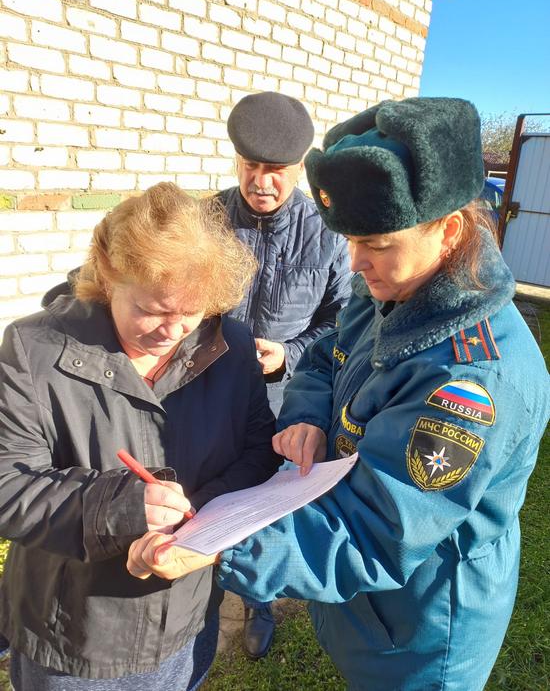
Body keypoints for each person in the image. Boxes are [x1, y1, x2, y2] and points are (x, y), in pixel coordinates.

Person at [127, 98, 550, 691]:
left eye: (375, 243)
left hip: (419, 624)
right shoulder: (399, 287)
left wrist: (221, 547)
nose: (355, 262)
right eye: (350, 240)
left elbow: (379, 530)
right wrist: (305, 415)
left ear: (449, 232)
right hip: (360, 600)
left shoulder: (471, 380)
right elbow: (331, 355)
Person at [0, 183, 281, 690]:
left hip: (187, 615)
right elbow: (9, 486)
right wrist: (122, 509)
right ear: (108, 277)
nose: (171, 331)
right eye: (151, 309)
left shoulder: (231, 344)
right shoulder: (33, 348)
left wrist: (194, 522)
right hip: (75, 636)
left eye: (190, 312)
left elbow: (258, 452)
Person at [218, 91, 352, 658]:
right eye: (250, 165)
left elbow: (344, 322)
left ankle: (258, 599)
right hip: (206, 391)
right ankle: (195, 586)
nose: (261, 181)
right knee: (202, 487)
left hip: (280, 400)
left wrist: (289, 353)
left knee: (261, 498)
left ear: (300, 169)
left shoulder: (329, 231)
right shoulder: (204, 221)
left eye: (276, 170)